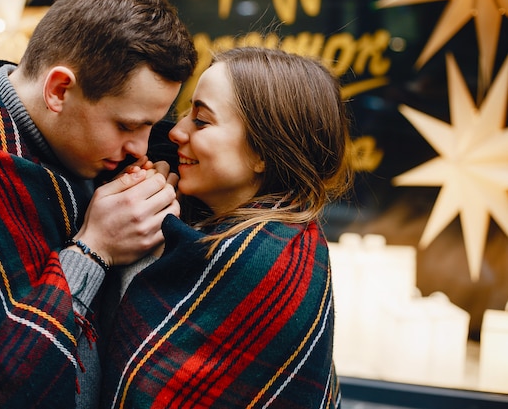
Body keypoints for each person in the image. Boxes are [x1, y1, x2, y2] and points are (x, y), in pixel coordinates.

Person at [0, 0, 196, 408]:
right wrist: (94, 249)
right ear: (59, 89)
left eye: (151, 126)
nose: (141, 148)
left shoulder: (75, 152)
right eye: (126, 125)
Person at [100, 47, 353, 409]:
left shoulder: (264, 260)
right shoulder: (252, 229)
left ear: (262, 153)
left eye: (201, 121)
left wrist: (135, 247)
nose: (176, 132)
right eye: (185, 112)